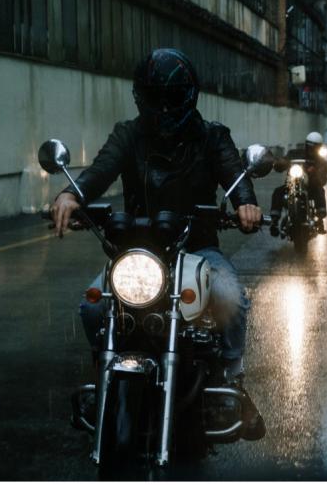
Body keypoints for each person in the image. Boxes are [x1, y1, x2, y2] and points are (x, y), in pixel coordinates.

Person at [50, 48, 265, 439]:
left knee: (230, 296)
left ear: (187, 95)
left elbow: (235, 174)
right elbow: (102, 168)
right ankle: (107, 378)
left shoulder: (212, 137)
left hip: (198, 249)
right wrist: (71, 194)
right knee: (93, 307)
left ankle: (233, 380)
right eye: (153, 97)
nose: (163, 107)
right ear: (141, 97)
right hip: (139, 252)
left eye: (170, 97)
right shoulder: (128, 135)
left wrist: (246, 204)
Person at [269, 131, 327, 236]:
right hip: (291, 184)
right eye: (310, 146)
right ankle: (274, 221)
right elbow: (283, 162)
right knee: (278, 192)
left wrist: (317, 174)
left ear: (319, 147)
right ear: (306, 144)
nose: (312, 149)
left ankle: (320, 218)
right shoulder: (295, 153)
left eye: (315, 147)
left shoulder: (320, 160)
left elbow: (323, 176)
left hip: (310, 186)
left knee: (319, 190)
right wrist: (280, 163)